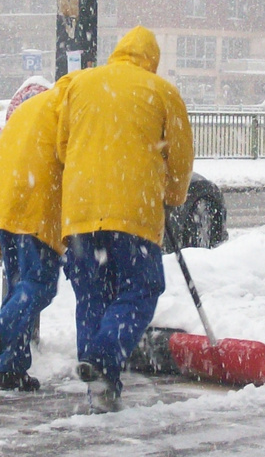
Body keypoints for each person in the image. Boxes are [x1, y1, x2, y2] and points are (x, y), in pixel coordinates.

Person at [56, 25, 194, 412]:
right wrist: (173, 195)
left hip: (81, 211)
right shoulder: (162, 92)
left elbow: (62, 146)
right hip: (133, 211)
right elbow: (181, 157)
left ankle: (101, 384)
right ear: (152, 59)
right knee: (141, 288)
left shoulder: (80, 85)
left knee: (92, 294)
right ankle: (103, 356)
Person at [0, 75, 71, 391]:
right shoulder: (64, 111)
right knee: (40, 284)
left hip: (3, 201)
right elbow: (73, 159)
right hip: (32, 204)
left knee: (19, 287)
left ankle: (9, 367)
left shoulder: (30, 110)